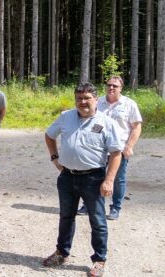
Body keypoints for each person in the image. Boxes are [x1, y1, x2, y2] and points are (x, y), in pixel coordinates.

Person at [43, 82, 122, 277]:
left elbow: (116, 153)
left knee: (97, 221)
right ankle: (62, 253)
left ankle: (99, 260)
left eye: (87, 98)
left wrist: (109, 180)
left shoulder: (106, 122)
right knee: (66, 217)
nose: (83, 102)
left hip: (94, 178)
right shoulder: (66, 117)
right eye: (79, 98)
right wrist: (54, 157)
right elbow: (49, 135)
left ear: (96, 99)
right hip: (67, 177)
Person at [76, 75, 143, 220]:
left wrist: (129, 146)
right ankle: (88, 205)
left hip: (118, 149)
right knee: (92, 177)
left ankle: (115, 208)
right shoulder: (97, 102)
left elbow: (136, 127)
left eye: (115, 86)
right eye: (109, 85)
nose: (111, 88)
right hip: (97, 148)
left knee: (117, 179)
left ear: (121, 88)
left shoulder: (129, 104)